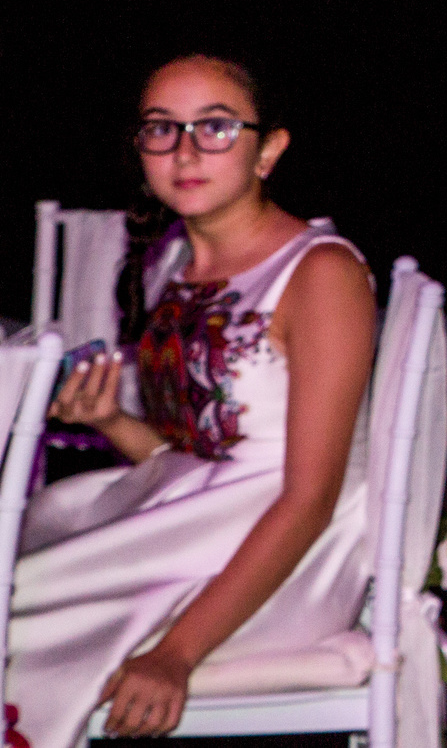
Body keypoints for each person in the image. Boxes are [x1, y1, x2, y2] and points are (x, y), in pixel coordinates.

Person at [6, 55, 376, 747]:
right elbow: (204, 456)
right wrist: (111, 420)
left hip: (282, 559)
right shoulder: (179, 265)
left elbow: (312, 496)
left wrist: (176, 653)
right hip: (204, 528)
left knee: (19, 614)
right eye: (161, 128)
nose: (184, 151)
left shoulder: (322, 273)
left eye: (215, 127)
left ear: (269, 149)